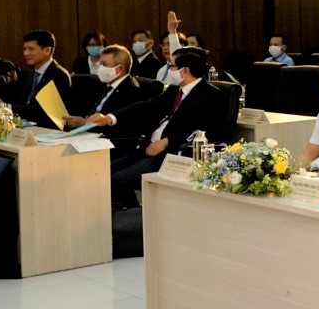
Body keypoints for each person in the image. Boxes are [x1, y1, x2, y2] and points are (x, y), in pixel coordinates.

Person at [95, 47, 228, 208]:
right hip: (147, 148)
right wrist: (110, 117)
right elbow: (147, 106)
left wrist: (167, 141)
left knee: (118, 178)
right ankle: (131, 210)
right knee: (105, 171)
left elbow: (205, 131)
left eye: (171, 66)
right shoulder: (174, 90)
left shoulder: (211, 95)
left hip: (172, 155)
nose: (168, 69)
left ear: (184, 70)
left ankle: (131, 214)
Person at [62, 44, 148, 130]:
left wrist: (84, 123)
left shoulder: (131, 91)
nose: (100, 68)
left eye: (104, 64)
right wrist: (81, 121)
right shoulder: (105, 85)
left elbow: (119, 126)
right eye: (100, 64)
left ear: (120, 68)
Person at [9, 29, 72, 129]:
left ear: (47, 50)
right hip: (26, 127)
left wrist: (8, 107)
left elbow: (43, 111)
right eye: (25, 49)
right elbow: (22, 101)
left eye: (31, 49)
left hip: (49, 130)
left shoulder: (59, 75)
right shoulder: (29, 73)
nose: (26, 53)